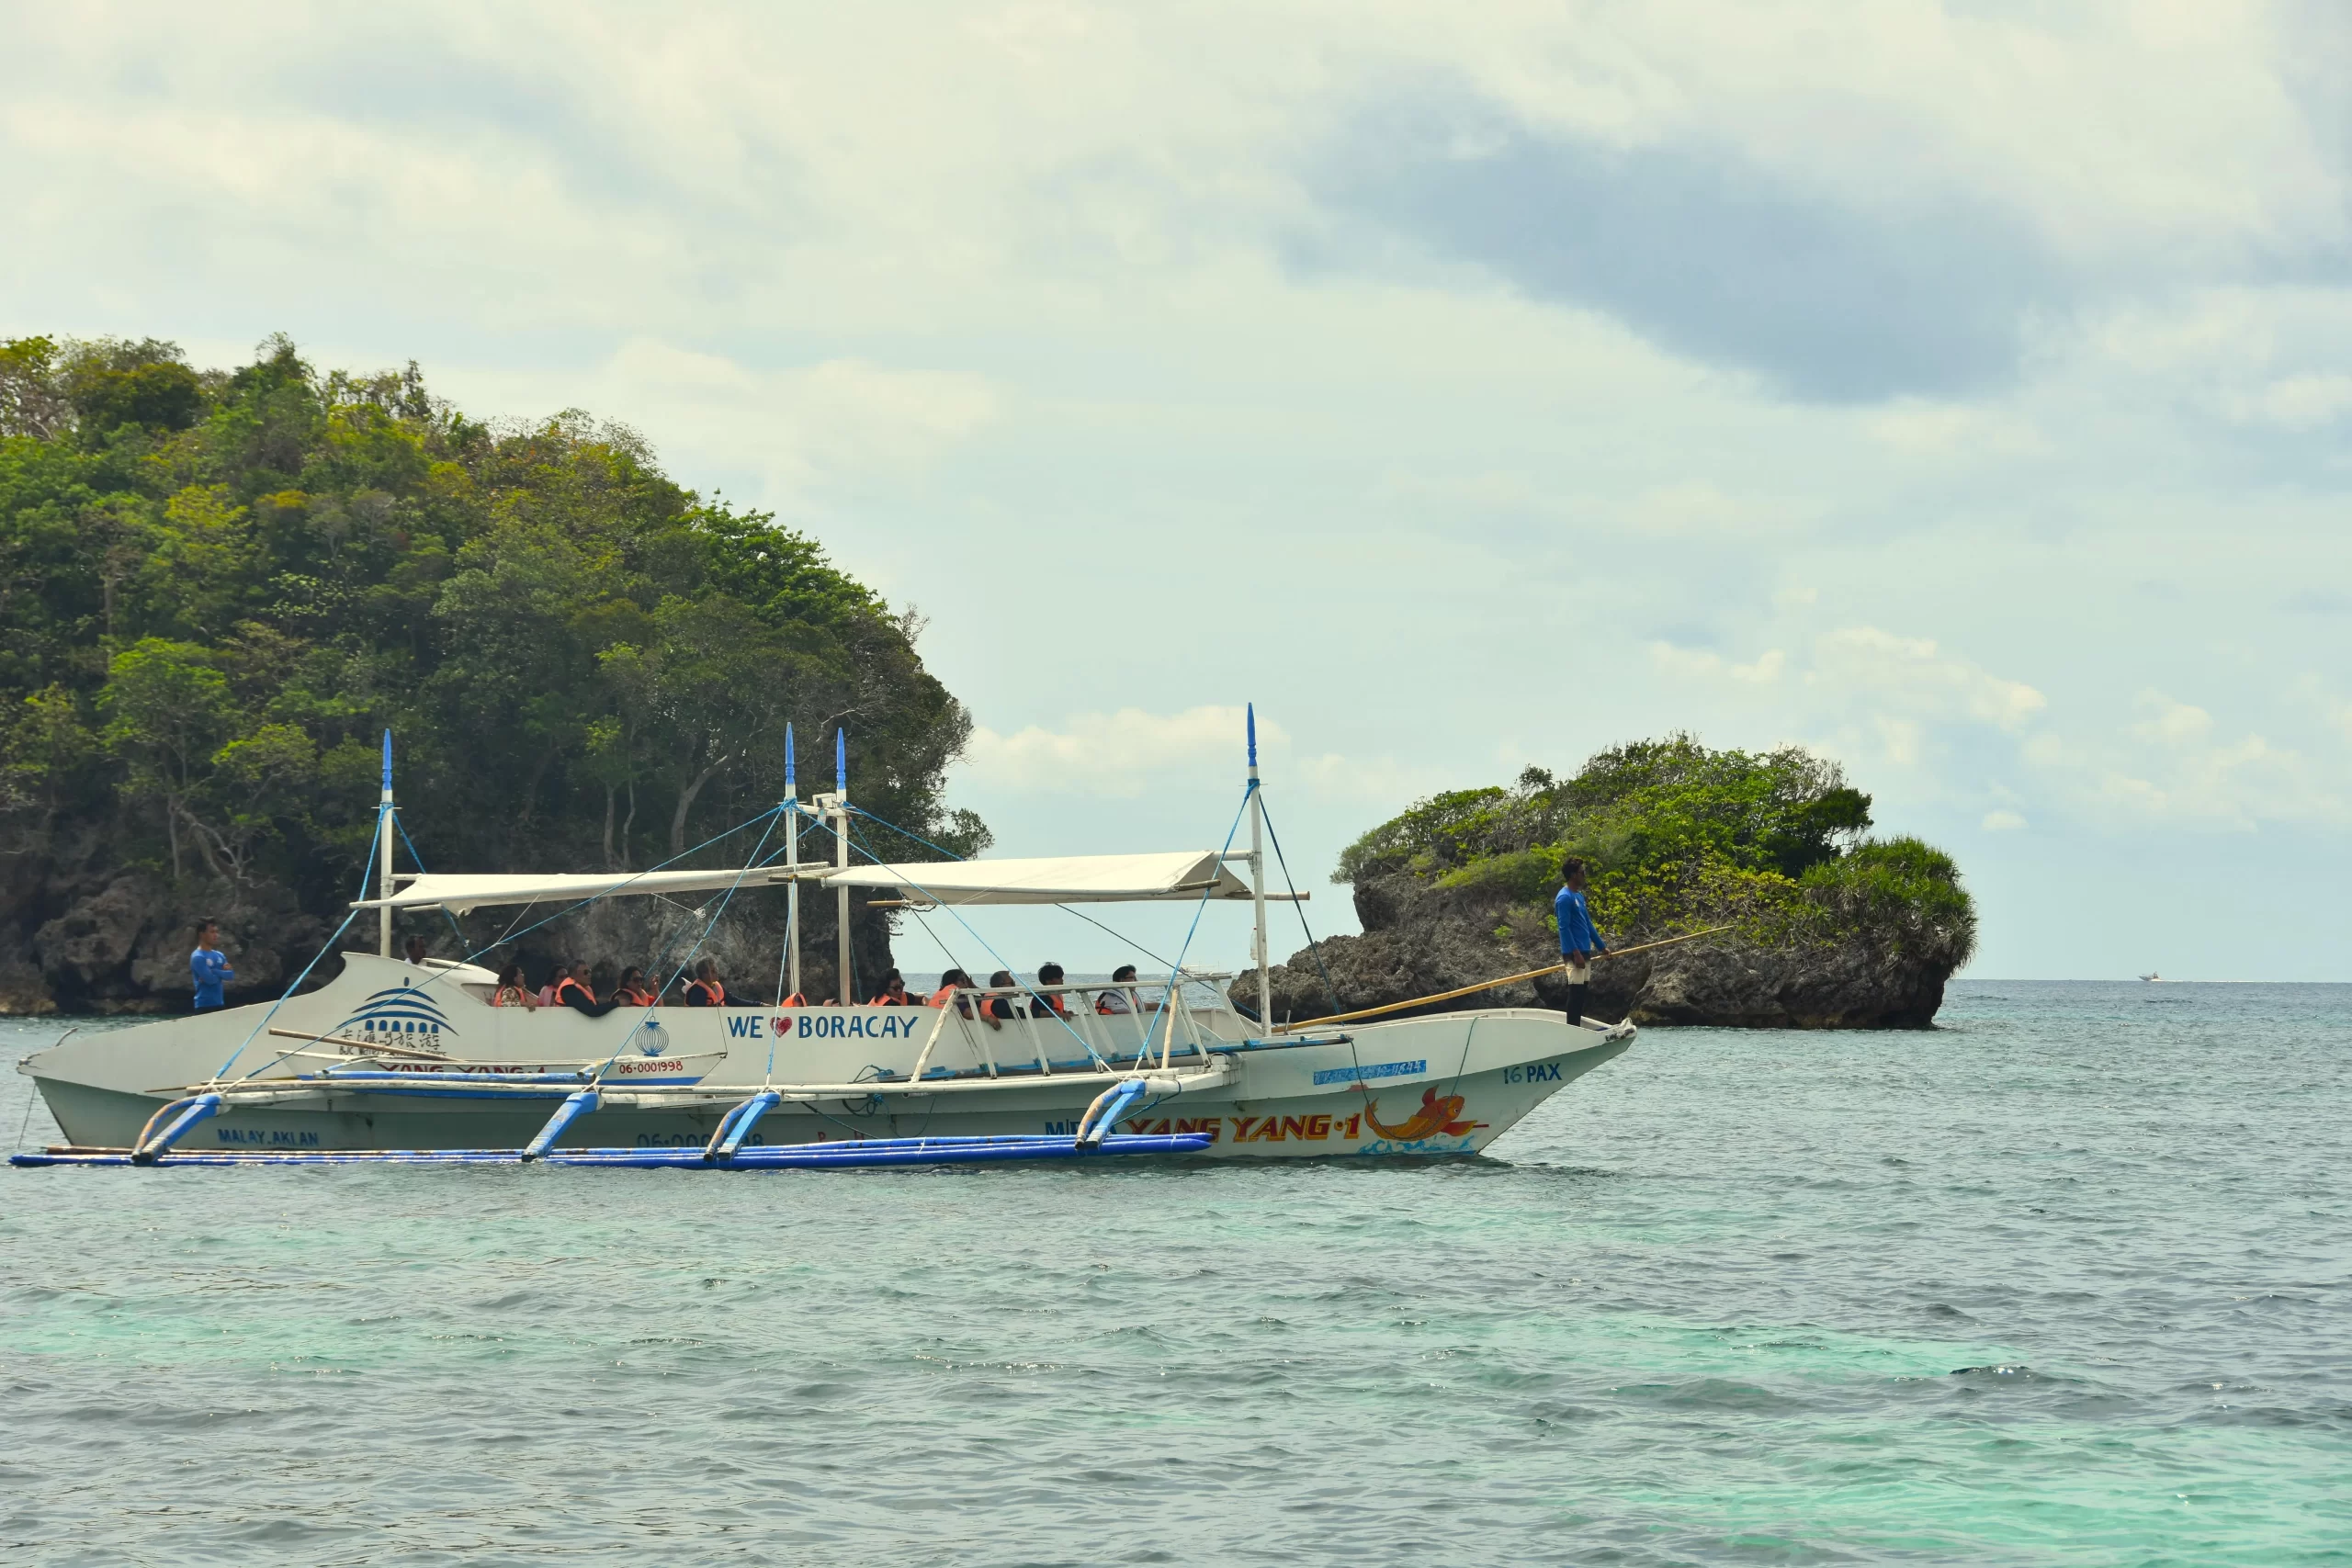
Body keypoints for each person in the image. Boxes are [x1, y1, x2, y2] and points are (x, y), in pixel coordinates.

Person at [1554, 855, 1606, 1027]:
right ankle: (1572, 1029)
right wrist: (1576, 954)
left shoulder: (1579, 896)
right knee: (1575, 992)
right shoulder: (1564, 898)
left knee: (1582, 992)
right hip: (1574, 953)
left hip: (1585, 950)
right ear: (1573, 875)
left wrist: (1601, 947)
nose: (1584, 875)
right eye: (1582, 872)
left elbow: (1587, 924)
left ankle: (1576, 1027)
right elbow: (1564, 928)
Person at [188, 920, 233, 1011]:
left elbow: (230, 975)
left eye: (217, 932)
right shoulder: (198, 956)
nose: (216, 935)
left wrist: (214, 971)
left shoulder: (219, 955)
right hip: (204, 1007)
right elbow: (210, 980)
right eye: (212, 932)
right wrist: (221, 972)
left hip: (220, 1004)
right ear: (202, 934)